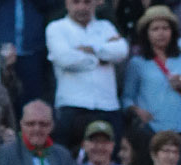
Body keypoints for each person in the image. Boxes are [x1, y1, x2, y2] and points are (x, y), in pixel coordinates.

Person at [45, 0, 127, 151]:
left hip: (107, 105)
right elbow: (65, 58)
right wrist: (100, 57)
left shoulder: (106, 27)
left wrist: (92, 48)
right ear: (66, 3)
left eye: (87, 2)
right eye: (76, 2)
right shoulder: (56, 28)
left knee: (110, 159)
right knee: (70, 158)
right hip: (73, 105)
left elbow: (121, 50)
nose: (82, 7)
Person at [123, 6, 181, 156]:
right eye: (155, 29)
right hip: (153, 129)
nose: (161, 33)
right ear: (146, 33)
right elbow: (127, 98)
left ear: (173, 31)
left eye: (165, 28)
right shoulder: (137, 63)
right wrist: (138, 111)